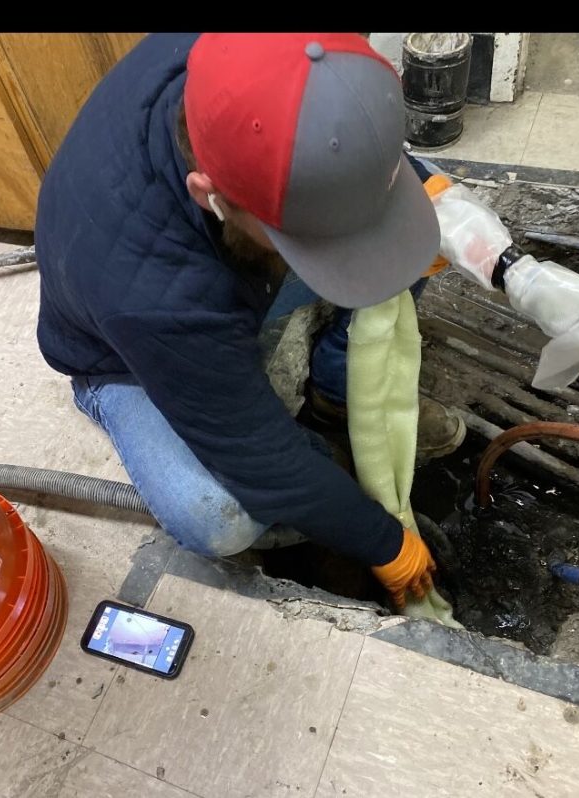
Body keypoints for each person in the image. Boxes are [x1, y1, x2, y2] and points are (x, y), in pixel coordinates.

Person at [35, 32, 467, 609]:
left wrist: (421, 185)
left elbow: (339, 126)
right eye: (301, 238)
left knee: (416, 219)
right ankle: (322, 460)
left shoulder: (258, 57)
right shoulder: (161, 299)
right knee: (217, 516)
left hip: (221, 259)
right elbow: (260, 459)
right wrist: (385, 544)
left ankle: (338, 393)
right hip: (117, 356)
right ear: (208, 195)